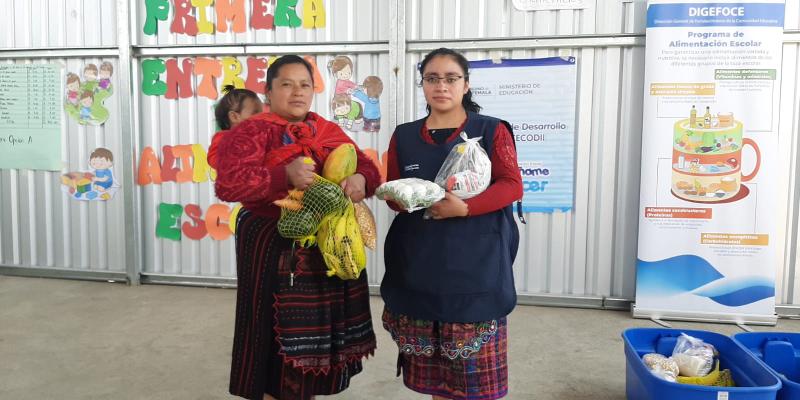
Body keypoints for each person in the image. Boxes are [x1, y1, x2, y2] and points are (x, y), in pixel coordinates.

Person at [214, 55, 381, 400]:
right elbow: (229, 184)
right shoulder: (251, 131)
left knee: (314, 339)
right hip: (270, 243)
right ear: (268, 91)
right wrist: (282, 175)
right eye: (286, 84)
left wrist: (363, 178)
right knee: (274, 339)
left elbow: (364, 163)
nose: (297, 93)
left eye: (304, 84)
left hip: (323, 247)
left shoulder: (326, 129)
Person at [380, 48, 523, 400]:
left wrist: (466, 209)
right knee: (439, 382)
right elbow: (397, 193)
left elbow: (511, 184)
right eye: (432, 78)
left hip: (475, 267)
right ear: (423, 85)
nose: (440, 86)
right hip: (420, 266)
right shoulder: (404, 135)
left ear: (466, 84)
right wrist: (399, 198)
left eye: (450, 78)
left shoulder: (490, 130)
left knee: (474, 384)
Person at [207, 85, 264, 169]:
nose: (262, 117)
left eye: (261, 113)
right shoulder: (223, 137)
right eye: (255, 113)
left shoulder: (260, 136)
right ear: (234, 117)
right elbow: (214, 160)